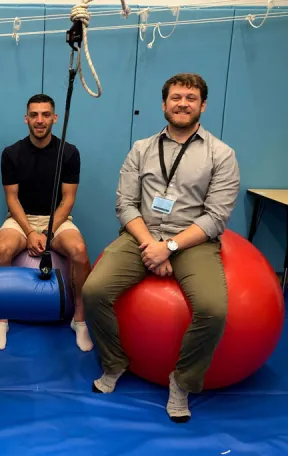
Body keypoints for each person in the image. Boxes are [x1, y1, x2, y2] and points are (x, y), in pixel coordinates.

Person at [82, 73, 240, 423]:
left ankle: (182, 381)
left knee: (213, 309)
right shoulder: (141, 149)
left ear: (203, 105)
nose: (183, 103)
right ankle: (114, 362)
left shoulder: (222, 154)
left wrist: (168, 247)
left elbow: (216, 217)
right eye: (176, 97)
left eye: (191, 98)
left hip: (192, 240)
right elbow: (125, 204)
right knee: (93, 291)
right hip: (143, 235)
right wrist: (150, 244)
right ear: (164, 104)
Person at [0, 94, 93, 352]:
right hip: (21, 217)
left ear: (54, 118)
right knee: (2, 250)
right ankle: (2, 319)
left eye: (45, 115)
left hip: (56, 219)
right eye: (34, 115)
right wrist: (29, 231)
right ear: (26, 119)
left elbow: (68, 200)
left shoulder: (69, 153)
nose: (40, 120)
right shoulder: (11, 153)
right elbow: (12, 199)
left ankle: (79, 319)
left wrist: (47, 232)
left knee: (79, 251)